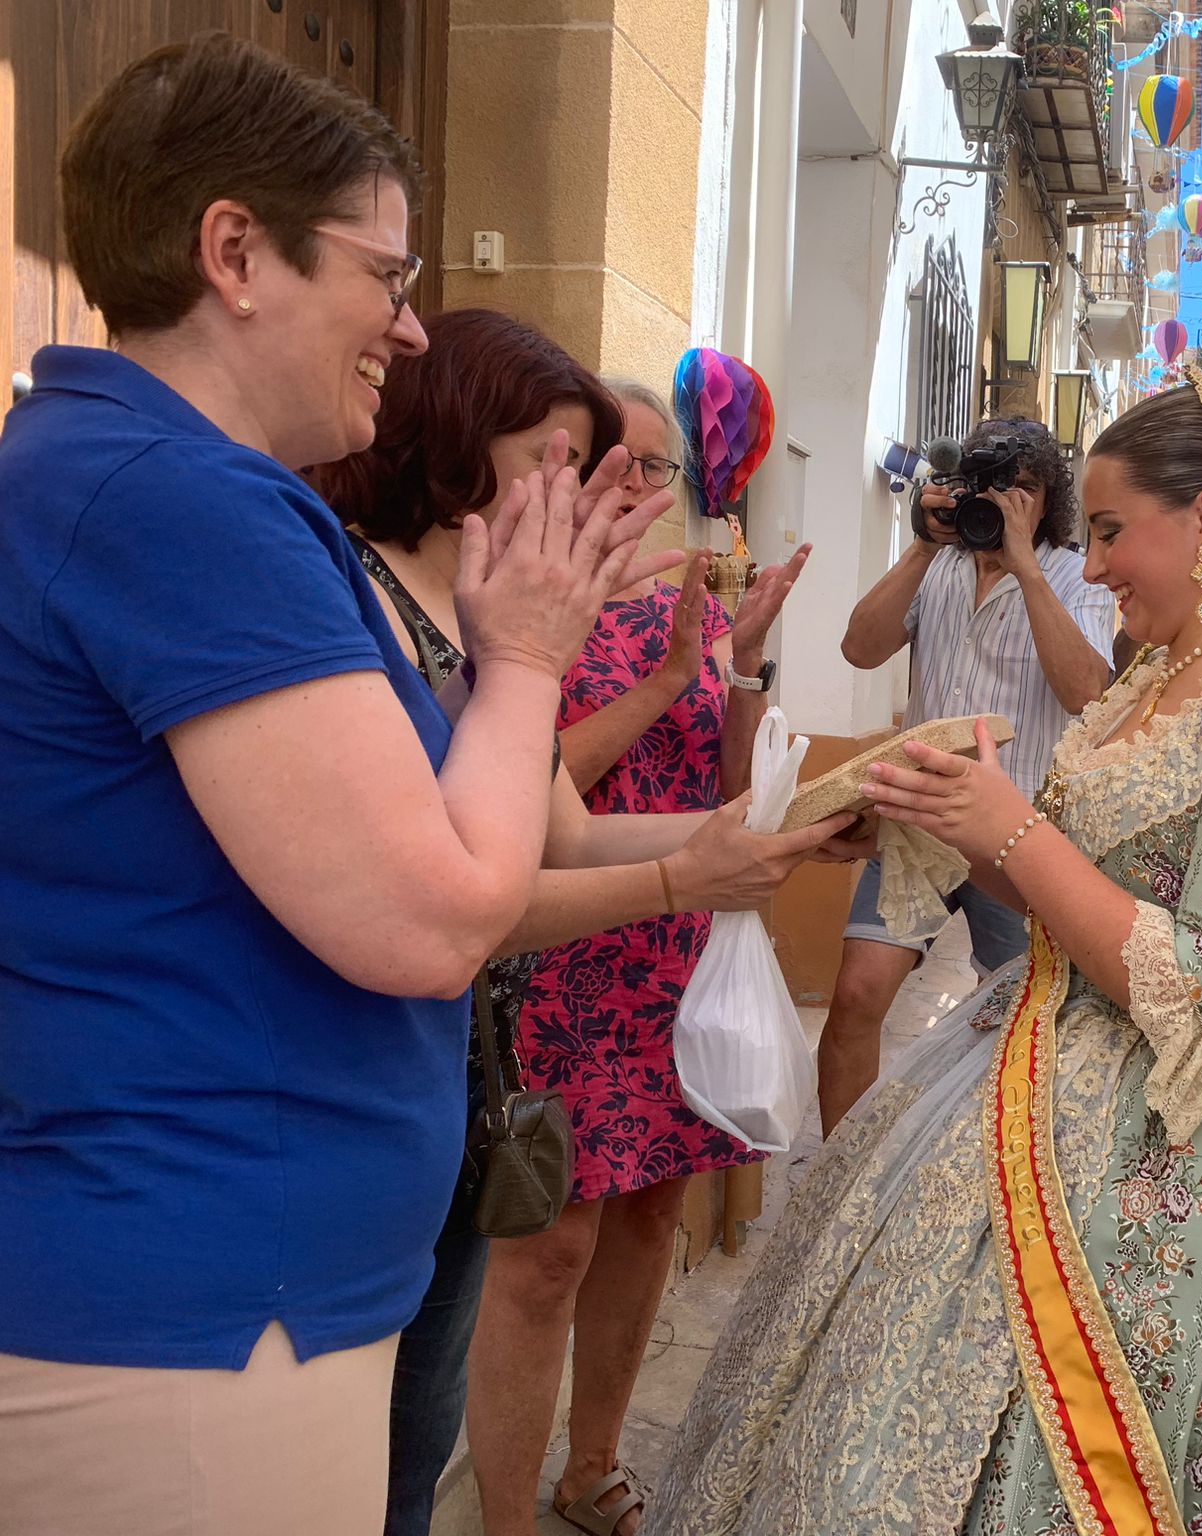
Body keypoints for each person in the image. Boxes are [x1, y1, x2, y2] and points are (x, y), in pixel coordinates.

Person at [0, 36, 678, 1534]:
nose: (413, 328)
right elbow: (434, 919)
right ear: (234, 253)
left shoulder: (150, 479)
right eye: (386, 272)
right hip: (203, 1304)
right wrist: (523, 658)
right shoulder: (179, 498)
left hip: (228, 1295)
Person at [644, 369, 1202, 1535]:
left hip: (1193, 1146)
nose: (1089, 565)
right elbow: (1066, 889)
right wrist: (932, 818)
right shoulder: (1148, 677)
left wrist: (1004, 822)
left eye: (1107, 533)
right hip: (1027, 1053)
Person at [314, 312, 845, 1536]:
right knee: (418, 1370)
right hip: (425, 1040)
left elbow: (563, 832)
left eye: (630, 471)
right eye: (562, 464)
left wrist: (764, 835)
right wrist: (680, 872)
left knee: (408, 1425)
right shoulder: (374, 601)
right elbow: (467, 893)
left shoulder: (472, 616)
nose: (605, 497)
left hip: (455, 1053)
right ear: (453, 446)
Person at [815, 418, 1117, 1133]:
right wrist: (922, 545)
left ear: (1049, 502)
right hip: (918, 822)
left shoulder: (1079, 578)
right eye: (992, 486)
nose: (1005, 502)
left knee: (1012, 1017)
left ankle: (990, 1182)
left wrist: (1027, 568)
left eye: (1024, 489)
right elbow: (860, 648)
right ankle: (838, 1179)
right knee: (857, 995)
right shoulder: (938, 566)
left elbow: (1088, 693)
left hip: (1018, 836)